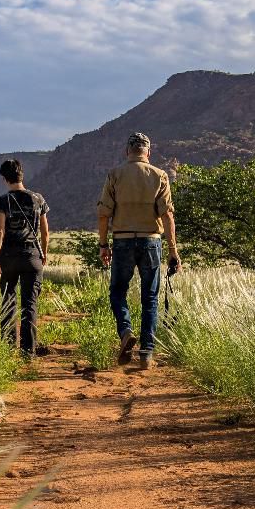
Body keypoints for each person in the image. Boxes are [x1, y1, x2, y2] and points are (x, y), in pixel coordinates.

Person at [97, 131, 180, 369]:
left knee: (117, 292)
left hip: (122, 241)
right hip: (151, 242)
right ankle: (146, 353)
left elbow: (104, 214)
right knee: (150, 298)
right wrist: (173, 250)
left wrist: (104, 245)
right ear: (148, 152)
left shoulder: (115, 175)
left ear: (127, 152)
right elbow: (167, 215)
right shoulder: (160, 175)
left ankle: (125, 331)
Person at [0, 158, 51, 357]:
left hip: (9, 257)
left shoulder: (3, 201)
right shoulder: (38, 199)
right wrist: (43, 253)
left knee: (8, 302)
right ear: (21, 175)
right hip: (33, 256)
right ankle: (28, 352)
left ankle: (8, 350)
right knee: (30, 304)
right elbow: (45, 232)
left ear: (4, 178)